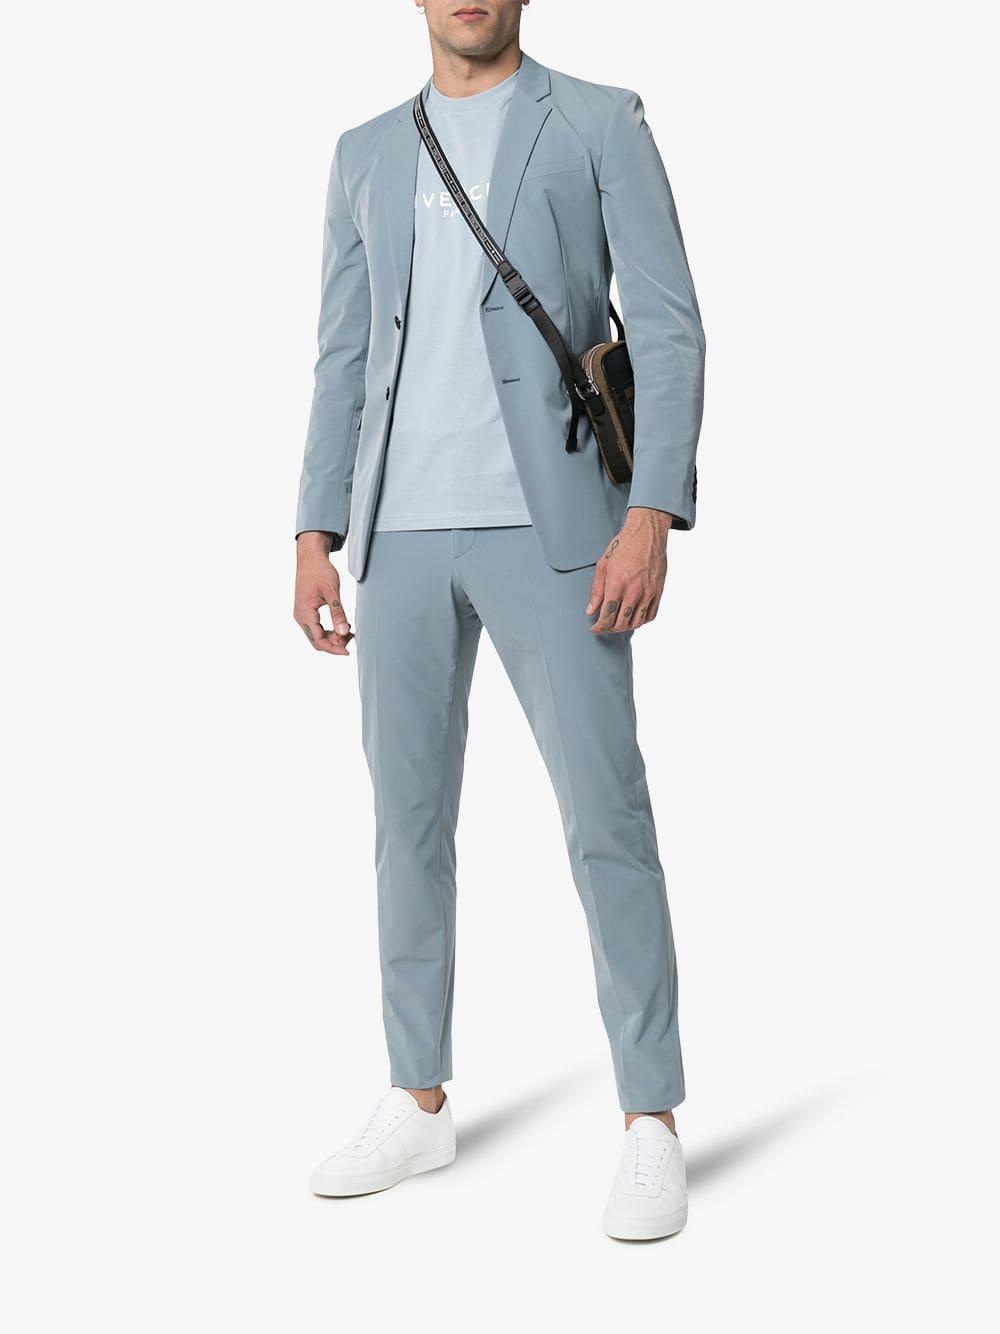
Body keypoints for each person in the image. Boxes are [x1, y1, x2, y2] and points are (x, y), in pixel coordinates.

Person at [294, 0, 704, 1240]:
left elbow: (668, 325)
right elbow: (341, 352)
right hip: (399, 536)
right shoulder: (366, 150)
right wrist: (315, 527)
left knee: (606, 817)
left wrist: (649, 512)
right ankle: (417, 1096)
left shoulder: (599, 122)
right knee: (405, 827)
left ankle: (649, 1115)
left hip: (559, 528)